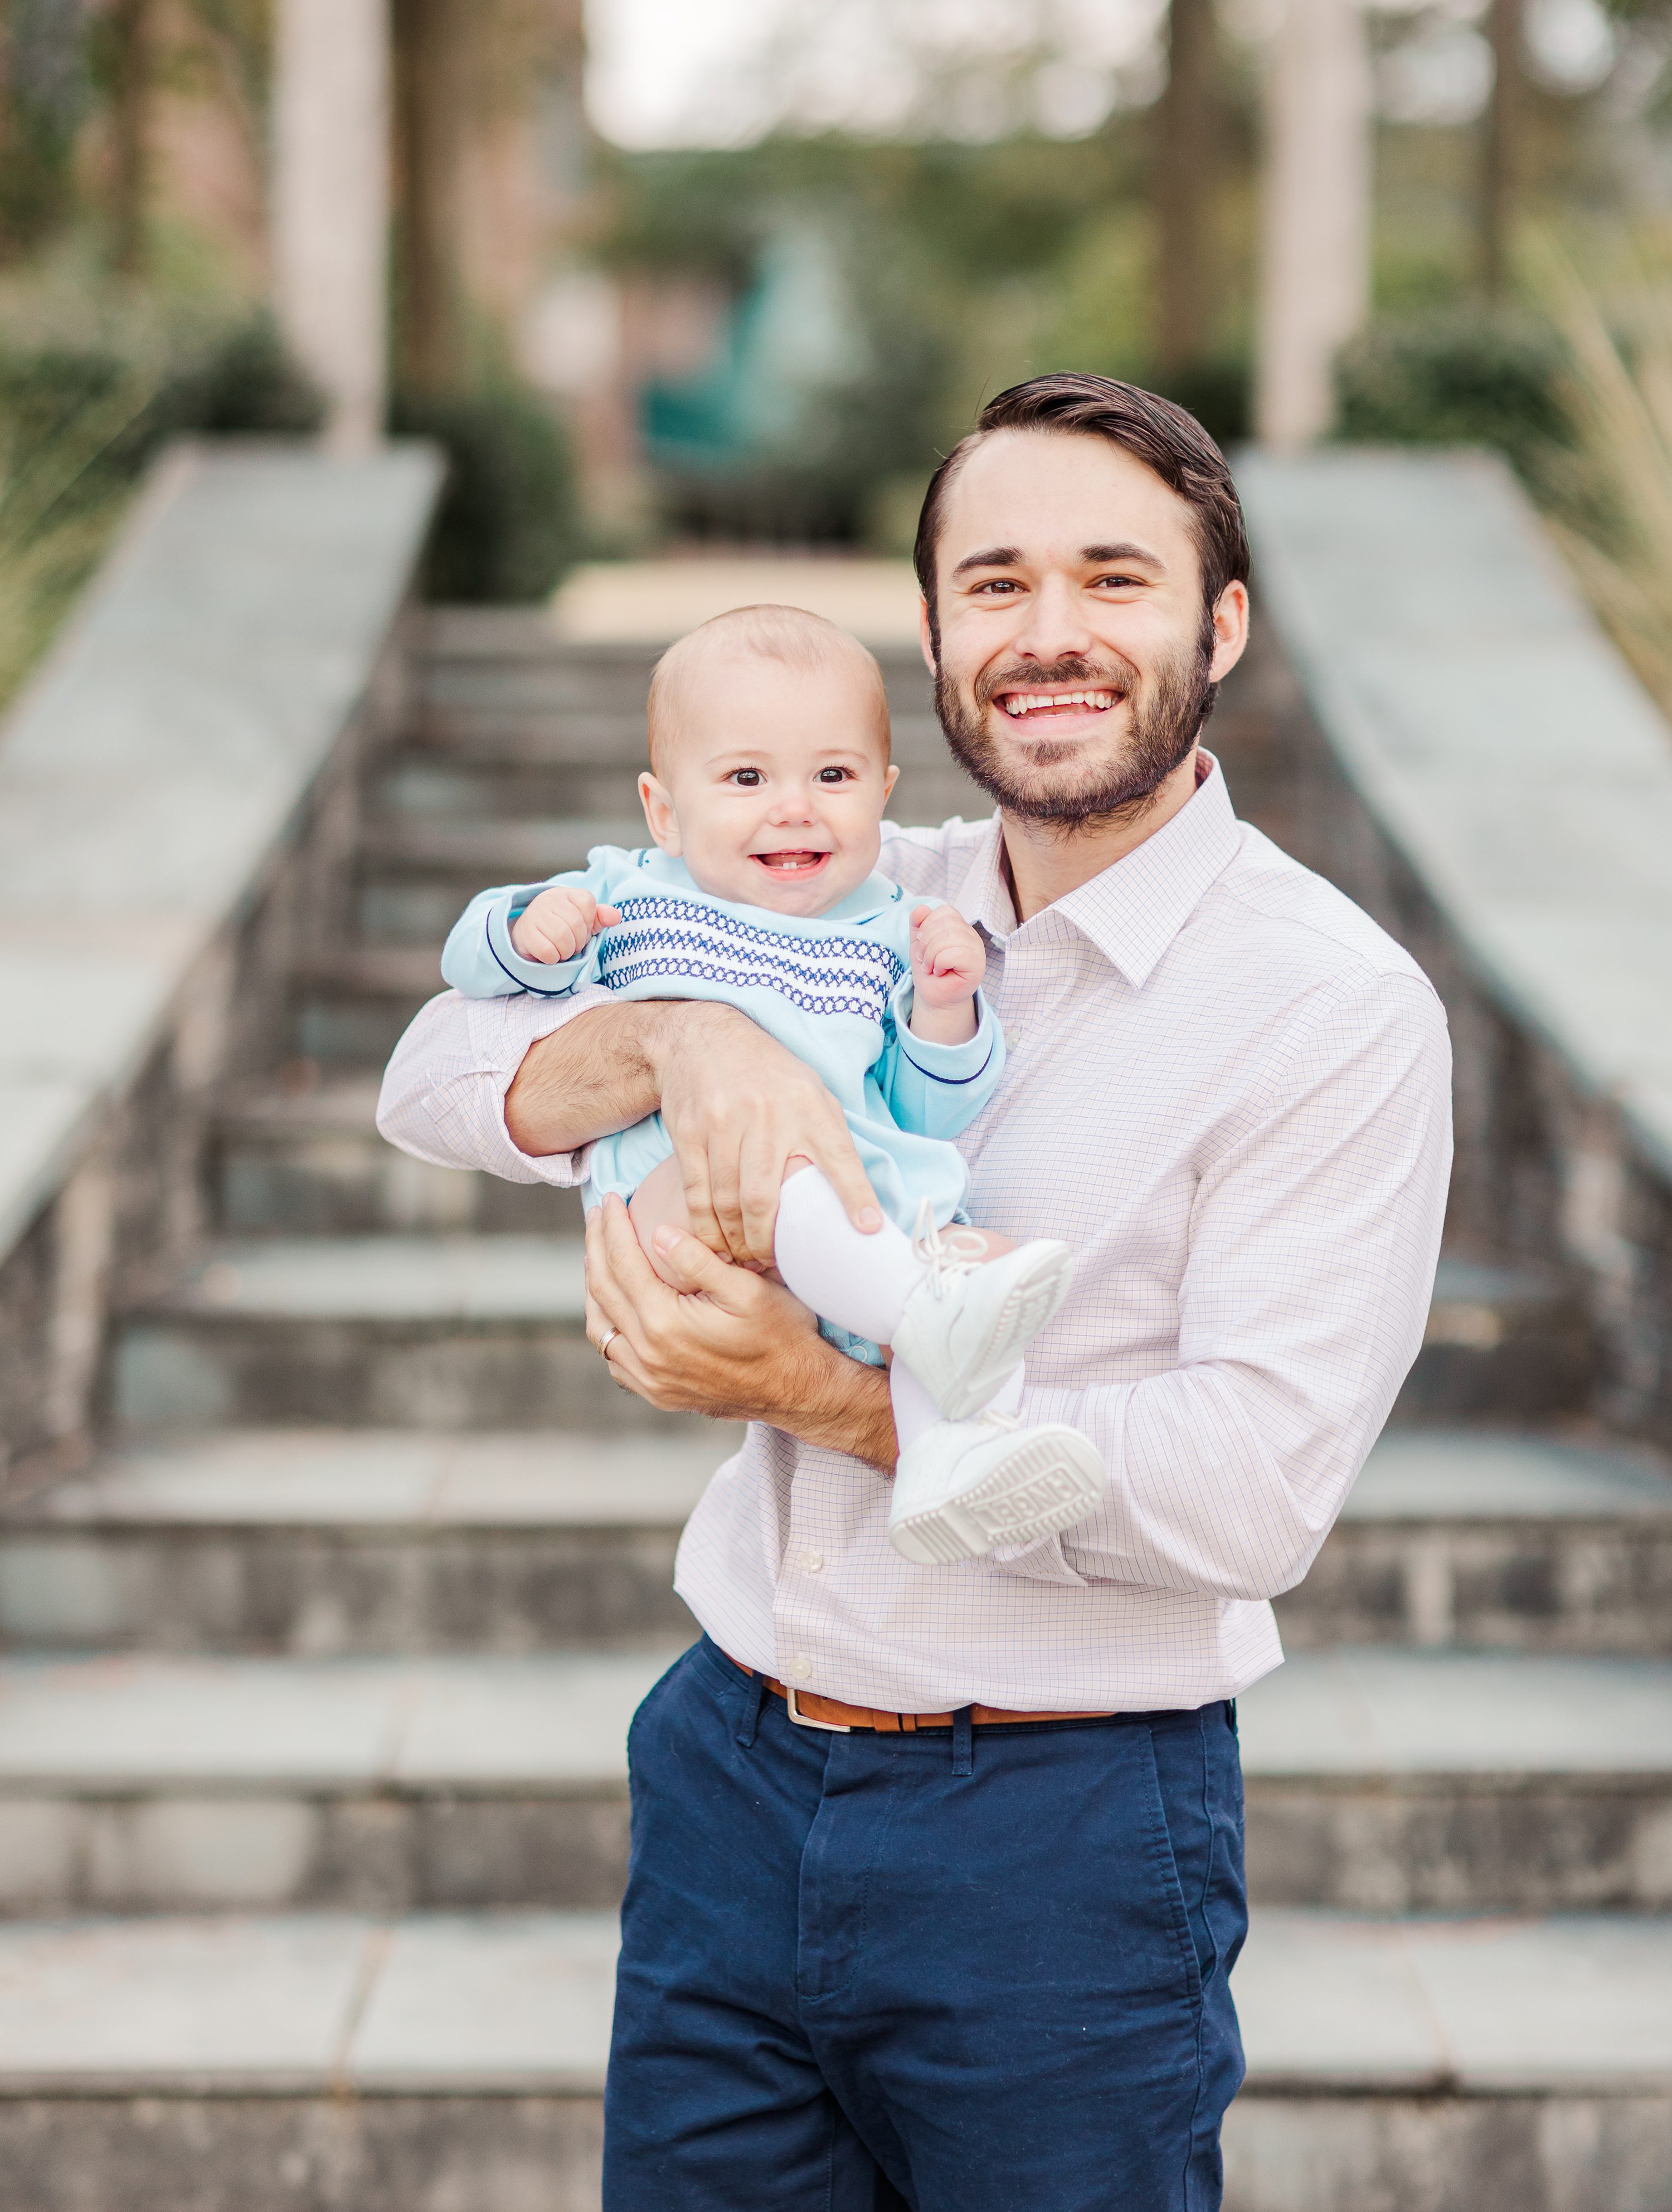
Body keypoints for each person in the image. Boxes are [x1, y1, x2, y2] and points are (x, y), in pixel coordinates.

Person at [377, 372, 1454, 2212]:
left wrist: (825, 1393)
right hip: (732, 1768)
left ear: (1222, 622)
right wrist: (682, 1036)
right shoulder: (849, 880)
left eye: (1114, 580)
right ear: (937, 632)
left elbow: (1248, 1492)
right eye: (994, 583)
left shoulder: (1329, 1008)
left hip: (1063, 1839)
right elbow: (430, 1080)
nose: (1048, 636)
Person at [434, 602, 1099, 1564]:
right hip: (686, 1207)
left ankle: (946, 1456)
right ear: (665, 810)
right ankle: (921, 1316)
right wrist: (529, 931)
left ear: (883, 793)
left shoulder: (889, 928)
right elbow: (464, 973)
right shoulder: (635, 892)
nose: (795, 806)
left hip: (850, 1234)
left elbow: (928, 1114)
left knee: (985, 1255)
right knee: (792, 1170)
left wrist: (943, 1010)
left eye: (833, 775)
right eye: (747, 778)